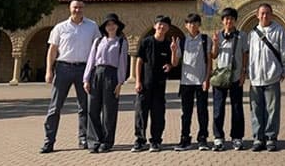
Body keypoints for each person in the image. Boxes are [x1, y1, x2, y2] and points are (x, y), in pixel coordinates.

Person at [40, 0, 101, 154]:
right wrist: (49, 70)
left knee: (85, 107)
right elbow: (52, 50)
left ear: (84, 8)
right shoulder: (60, 27)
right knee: (55, 107)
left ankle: (84, 138)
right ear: (70, 8)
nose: (77, 10)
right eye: (75, 7)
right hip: (63, 68)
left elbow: (98, 48)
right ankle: (49, 141)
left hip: (84, 69)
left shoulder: (92, 26)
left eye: (80, 7)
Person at [247, 3, 285, 152]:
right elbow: (250, 55)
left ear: (271, 15)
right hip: (255, 78)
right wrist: (248, 72)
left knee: (272, 110)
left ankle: (271, 137)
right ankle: (258, 138)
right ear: (257, 15)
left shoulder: (278, 30)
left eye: (267, 13)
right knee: (256, 110)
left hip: (272, 76)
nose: (264, 16)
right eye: (262, 13)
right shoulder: (252, 33)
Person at [131, 16, 179, 153]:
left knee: (158, 114)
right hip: (144, 85)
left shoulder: (168, 44)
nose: (161, 27)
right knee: (141, 113)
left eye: (164, 25)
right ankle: (140, 141)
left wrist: (173, 54)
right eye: (159, 24)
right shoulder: (146, 42)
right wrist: (138, 81)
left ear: (168, 28)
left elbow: (174, 64)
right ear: (154, 26)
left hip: (159, 85)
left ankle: (156, 141)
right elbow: (139, 62)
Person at [82, 13, 128, 153]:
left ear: (118, 26)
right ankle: (94, 140)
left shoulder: (121, 42)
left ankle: (107, 141)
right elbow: (91, 60)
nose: (111, 26)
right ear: (105, 27)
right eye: (108, 24)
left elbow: (123, 63)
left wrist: (120, 82)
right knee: (92, 108)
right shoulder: (98, 41)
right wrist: (86, 79)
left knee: (109, 110)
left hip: (112, 75)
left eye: (113, 23)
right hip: (96, 74)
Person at [209, 7, 249, 151]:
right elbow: (213, 55)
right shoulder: (218, 35)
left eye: (231, 18)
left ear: (235, 20)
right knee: (218, 109)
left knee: (237, 108)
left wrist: (244, 72)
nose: (228, 21)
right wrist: (214, 43)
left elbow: (245, 54)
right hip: (220, 78)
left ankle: (237, 138)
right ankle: (218, 138)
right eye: (226, 18)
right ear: (222, 21)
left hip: (236, 77)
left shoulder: (242, 35)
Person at [173, 14, 211, 151]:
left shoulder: (205, 39)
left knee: (202, 112)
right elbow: (175, 62)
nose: (192, 25)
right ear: (185, 25)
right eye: (189, 23)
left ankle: (203, 139)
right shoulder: (181, 41)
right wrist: (173, 51)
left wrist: (207, 79)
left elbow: (209, 61)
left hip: (201, 81)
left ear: (199, 24)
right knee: (186, 113)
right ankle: (185, 139)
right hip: (186, 82)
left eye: (195, 23)